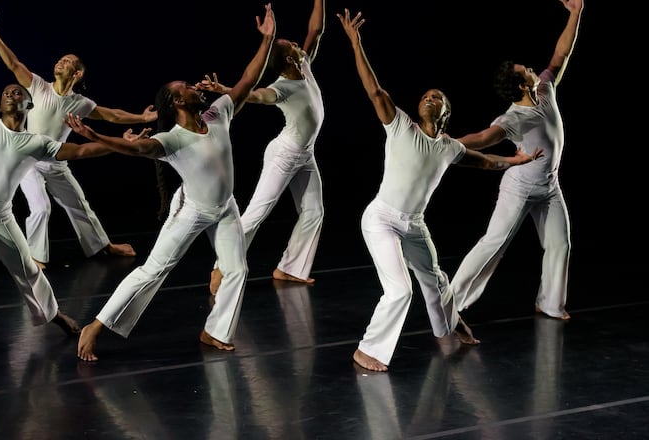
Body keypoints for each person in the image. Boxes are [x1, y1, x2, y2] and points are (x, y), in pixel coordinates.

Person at [0, 9, 145, 364]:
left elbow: (81, 151)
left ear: (28, 103)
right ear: (1, 103)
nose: (11, 92)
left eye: (16, 92)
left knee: (28, 270)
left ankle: (54, 315)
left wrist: (119, 143)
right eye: (6, 92)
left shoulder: (35, 142)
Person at [68, 4, 277, 362]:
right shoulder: (173, 139)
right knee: (153, 270)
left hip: (225, 207)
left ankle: (215, 331)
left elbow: (247, 79)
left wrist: (267, 40)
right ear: (178, 101)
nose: (195, 86)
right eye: (188, 87)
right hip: (191, 211)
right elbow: (137, 149)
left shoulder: (218, 114)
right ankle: (96, 326)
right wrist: (97, 136)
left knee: (238, 269)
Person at [337, 9, 543, 372]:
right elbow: (374, 90)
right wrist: (356, 43)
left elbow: (485, 162)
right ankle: (367, 350)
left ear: (446, 112)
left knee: (434, 279)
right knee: (400, 289)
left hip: (414, 224)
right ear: (419, 107)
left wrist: (516, 160)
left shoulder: (449, 147)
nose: (430, 97)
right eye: (426, 96)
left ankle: (450, 324)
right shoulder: (400, 125)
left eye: (438, 97)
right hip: (381, 218)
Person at [0, 9, 158, 269]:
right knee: (41, 207)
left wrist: (142, 118)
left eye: (67, 62)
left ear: (77, 74)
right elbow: (13, 64)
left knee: (79, 204)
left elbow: (112, 115)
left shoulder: (80, 103)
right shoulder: (39, 86)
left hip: (57, 162)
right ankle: (34, 257)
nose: (60, 62)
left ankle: (102, 246)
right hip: (29, 161)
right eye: (61, 59)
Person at [447, 0, 583, 322]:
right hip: (519, 188)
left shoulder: (545, 89)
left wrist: (576, 14)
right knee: (493, 243)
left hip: (549, 186)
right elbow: (483, 138)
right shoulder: (513, 118)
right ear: (522, 85)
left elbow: (560, 54)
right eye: (527, 71)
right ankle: (449, 301)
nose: (534, 69)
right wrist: (445, 142)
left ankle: (550, 304)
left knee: (560, 243)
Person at [199, 0, 326, 294]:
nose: (298, 45)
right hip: (285, 155)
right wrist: (225, 90)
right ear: (289, 59)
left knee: (314, 211)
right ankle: (221, 267)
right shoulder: (282, 88)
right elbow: (254, 96)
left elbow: (316, 30)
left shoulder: (304, 65)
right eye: (292, 45)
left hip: (305, 154)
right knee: (257, 212)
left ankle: (290, 268)